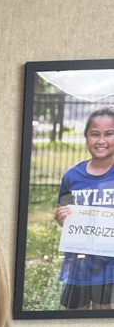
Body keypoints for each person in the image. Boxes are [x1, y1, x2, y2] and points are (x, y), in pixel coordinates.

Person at [54, 107, 114, 310]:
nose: (101, 140)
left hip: (110, 267)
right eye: (95, 134)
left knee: (103, 314)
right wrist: (62, 218)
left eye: (109, 134)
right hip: (78, 265)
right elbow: (65, 216)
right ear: (86, 137)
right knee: (73, 315)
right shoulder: (72, 176)